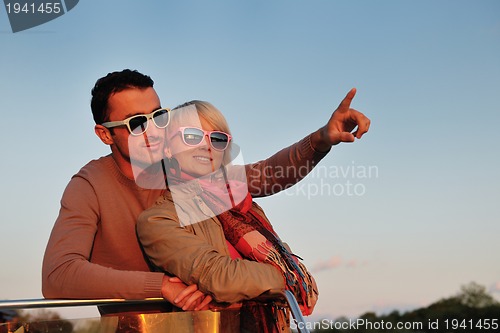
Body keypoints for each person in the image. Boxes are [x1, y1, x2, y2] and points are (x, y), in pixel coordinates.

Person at [41, 69, 370, 315]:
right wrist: (161, 287)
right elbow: (59, 275)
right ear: (105, 134)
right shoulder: (90, 185)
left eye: (158, 116)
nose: (152, 129)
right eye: (135, 123)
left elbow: (267, 173)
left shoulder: (188, 172)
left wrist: (322, 138)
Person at [136, 100, 319, 332]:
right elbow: (221, 278)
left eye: (217, 139)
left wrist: (321, 141)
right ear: (168, 148)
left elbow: (272, 171)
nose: (206, 146)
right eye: (192, 136)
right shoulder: (158, 219)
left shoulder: (243, 205)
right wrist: (287, 275)